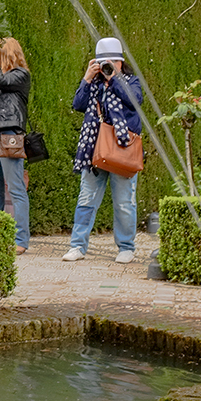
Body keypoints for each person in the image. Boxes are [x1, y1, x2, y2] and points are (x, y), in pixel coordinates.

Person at [62, 36, 143, 264]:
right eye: (103, 63)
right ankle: (77, 246)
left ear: (120, 63)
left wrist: (114, 79)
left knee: (124, 203)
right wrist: (87, 79)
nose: (107, 66)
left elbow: (135, 100)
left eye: (112, 62)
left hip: (122, 150)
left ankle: (126, 247)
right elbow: (78, 104)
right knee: (86, 199)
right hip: (94, 150)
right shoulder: (94, 84)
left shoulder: (131, 81)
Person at [0, 37, 31, 253]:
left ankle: (20, 240)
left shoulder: (20, 75)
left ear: (7, 53)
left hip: (9, 134)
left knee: (16, 188)